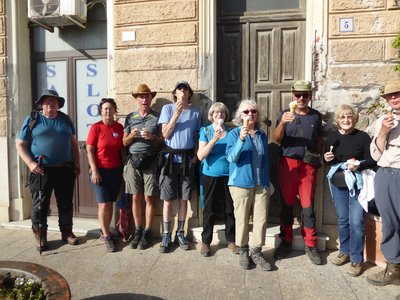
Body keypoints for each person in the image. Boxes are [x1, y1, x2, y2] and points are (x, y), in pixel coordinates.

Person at [16, 89, 80, 251]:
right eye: (47, 101)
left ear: (59, 104)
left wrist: (77, 164)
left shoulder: (65, 119)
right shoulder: (33, 119)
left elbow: (74, 144)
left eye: (54, 101)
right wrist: (30, 163)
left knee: (65, 202)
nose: (51, 103)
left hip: (65, 168)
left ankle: (67, 232)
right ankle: (40, 236)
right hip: (41, 170)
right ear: (42, 104)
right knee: (40, 204)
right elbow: (20, 144)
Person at [273, 80, 323, 265]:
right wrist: (282, 124)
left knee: (308, 206)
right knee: (286, 204)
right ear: (292, 95)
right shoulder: (284, 114)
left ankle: (311, 244)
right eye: (298, 95)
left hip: (308, 165)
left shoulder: (316, 116)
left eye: (305, 95)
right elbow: (276, 139)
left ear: (310, 96)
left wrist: (317, 160)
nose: (301, 98)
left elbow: (318, 139)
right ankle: (286, 240)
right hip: (288, 164)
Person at [324, 105, 376, 276]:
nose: (346, 120)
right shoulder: (332, 137)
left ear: (355, 119)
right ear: (337, 120)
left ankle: (356, 259)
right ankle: (344, 252)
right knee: (343, 220)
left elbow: (372, 161)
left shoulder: (362, 137)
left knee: (356, 223)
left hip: (358, 185)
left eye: (349, 117)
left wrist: (358, 164)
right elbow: (328, 161)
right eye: (342, 117)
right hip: (338, 183)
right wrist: (327, 158)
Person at [226, 99, 272, 271]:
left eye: (253, 111)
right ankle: (243, 249)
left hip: (261, 183)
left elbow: (265, 160)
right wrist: (241, 139)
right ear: (240, 116)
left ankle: (256, 251)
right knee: (242, 219)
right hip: (240, 183)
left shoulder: (261, 135)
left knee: (261, 218)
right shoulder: (233, 134)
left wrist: (267, 181)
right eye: (246, 112)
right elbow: (231, 158)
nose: (250, 114)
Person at [157, 81, 201, 253]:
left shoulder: (196, 112)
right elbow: (165, 134)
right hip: (169, 160)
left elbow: (197, 136)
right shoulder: (167, 109)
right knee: (168, 200)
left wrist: (195, 158)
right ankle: (166, 234)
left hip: (186, 160)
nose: (182, 91)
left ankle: (180, 232)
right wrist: (177, 112)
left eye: (185, 89)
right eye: (179, 89)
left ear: (190, 93)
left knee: (184, 199)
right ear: (174, 93)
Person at [367, 79, 400, 286]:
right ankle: (393, 266)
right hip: (386, 174)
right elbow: (375, 154)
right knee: (390, 222)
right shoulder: (382, 121)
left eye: (397, 94)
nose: (394, 98)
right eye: (390, 96)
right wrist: (383, 132)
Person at [197, 102, 238, 257]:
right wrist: (214, 139)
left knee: (230, 208)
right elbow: (200, 156)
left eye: (222, 113)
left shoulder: (231, 131)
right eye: (216, 113)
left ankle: (231, 240)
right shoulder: (205, 131)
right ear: (211, 115)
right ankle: (206, 242)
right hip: (211, 175)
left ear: (225, 115)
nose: (219, 115)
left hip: (229, 175)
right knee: (209, 209)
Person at [123, 84, 160, 250]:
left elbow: (162, 141)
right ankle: (137, 231)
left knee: (149, 198)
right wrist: (131, 135)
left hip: (150, 162)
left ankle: (147, 231)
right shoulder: (130, 117)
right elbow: (123, 142)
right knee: (136, 197)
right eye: (141, 96)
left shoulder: (157, 117)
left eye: (147, 96)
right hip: (133, 162)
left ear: (151, 98)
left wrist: (152, 137)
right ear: (137, 99)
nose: (144, 99)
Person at [86, 98, 124, 253]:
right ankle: (107, 236)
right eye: (105, 109)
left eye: (110, 108)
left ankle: (105, 230)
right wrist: (94, 170)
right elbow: (89, 150)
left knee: (110, 203)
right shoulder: (96, 128)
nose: (108, 111)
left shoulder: (119, 127)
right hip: (100, 172)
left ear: (115, 110)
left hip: (116, 171)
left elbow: (122, 149)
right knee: (103, 204)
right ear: (101, 111)